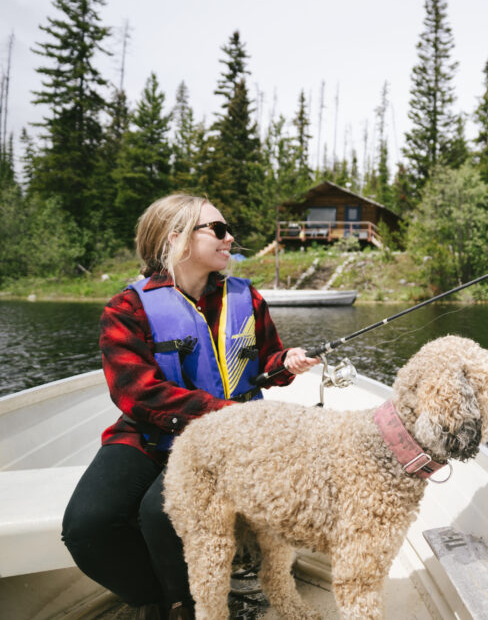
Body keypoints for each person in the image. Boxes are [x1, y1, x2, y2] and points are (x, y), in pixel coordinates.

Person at [61, 194, 319, 620]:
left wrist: (286, 362)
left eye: (227, 229)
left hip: (228, 443)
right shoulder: (126, 308)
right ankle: (155, 593)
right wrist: (221, 413)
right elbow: (136, 393)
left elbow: (267, 360)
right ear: (176, 238)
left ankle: (185, 602)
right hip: (151, 433)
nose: (229, 237)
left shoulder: (247, 298)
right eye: (217, 230)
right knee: (88, 527)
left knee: (158, 512)